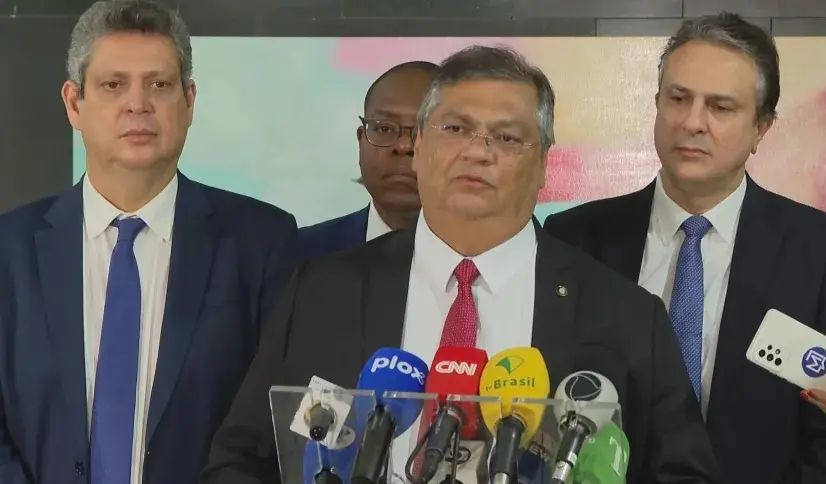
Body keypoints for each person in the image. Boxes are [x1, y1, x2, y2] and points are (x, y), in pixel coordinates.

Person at [201, 45, 720, 484]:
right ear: (420, 145)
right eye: (456, 128)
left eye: (507, 137)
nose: (478, 152)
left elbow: (682, 474)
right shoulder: (322, 292)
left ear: (543, 163)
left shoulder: (626, 316)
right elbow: (240, 462)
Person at [543, 12, 826, 484]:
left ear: (761, 128)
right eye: (678, 99)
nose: (692, 122)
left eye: (720, 107)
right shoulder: (574, 237)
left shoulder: (820, 250)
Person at [0, 1, 299, 483]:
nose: (137, 104)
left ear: (190, 101)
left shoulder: (260, 242)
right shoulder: (9, 250)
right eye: (113, 85)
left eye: (159, 85)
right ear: (74, 104)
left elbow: (272, 429)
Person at [297, 61, 437, 260]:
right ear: (361, 139)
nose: (404, 146)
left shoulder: (481, 256)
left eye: (424, 130)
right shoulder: (301, 254)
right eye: (384, 129)